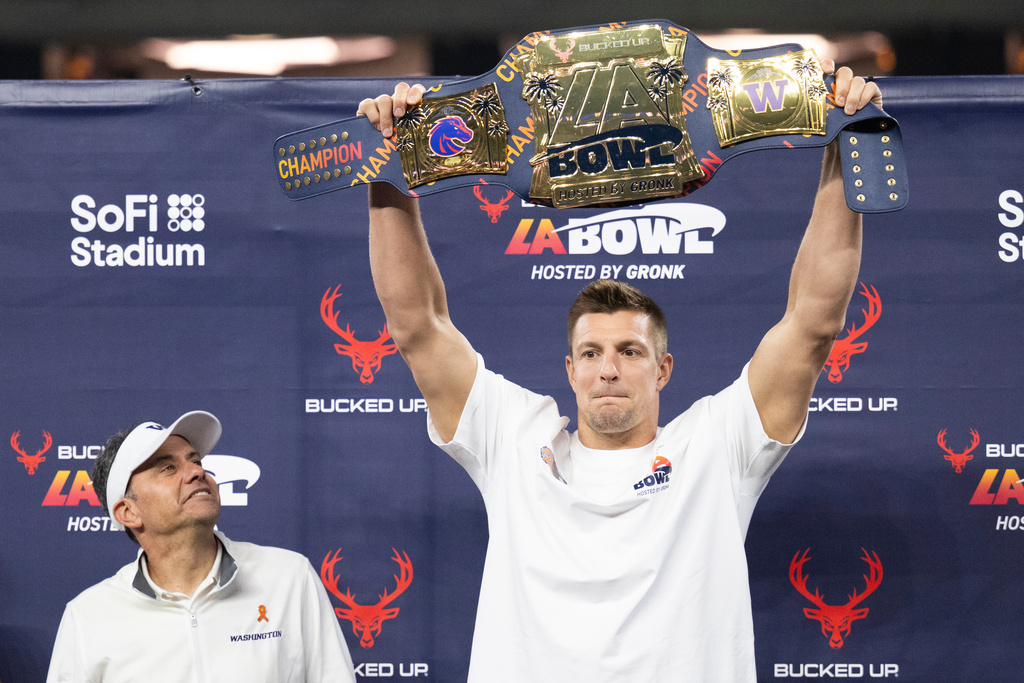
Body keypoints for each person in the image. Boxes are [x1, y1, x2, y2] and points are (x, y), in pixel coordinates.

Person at [360, 63, 881, 682]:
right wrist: (390, 165)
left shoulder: (717, 446)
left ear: (663, 370)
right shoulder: (514, 439)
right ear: (570, 370)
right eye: (591, 353)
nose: (608, 369)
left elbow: (812, 323)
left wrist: (849, 144)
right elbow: (417, 326)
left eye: (629, 352)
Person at [45, 411, 356, 683]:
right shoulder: (88, 617)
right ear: (128, 512)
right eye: (167, 468)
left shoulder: (289, 577)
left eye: (195, 460)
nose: (197, 472)